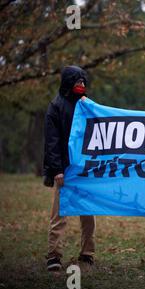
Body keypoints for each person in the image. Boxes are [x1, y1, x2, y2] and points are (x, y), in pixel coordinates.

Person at [43, 66, 96, 271]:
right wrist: (57, 170)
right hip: (64, 170)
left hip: (84, 168)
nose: (82, 85)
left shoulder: (87, 106)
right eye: (77, 82)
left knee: (88, 212)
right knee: (59, 214)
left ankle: (87, 253)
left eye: (84, 82)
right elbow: (52, 142)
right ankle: (54, 255)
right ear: (68, 83)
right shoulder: (56, 107)